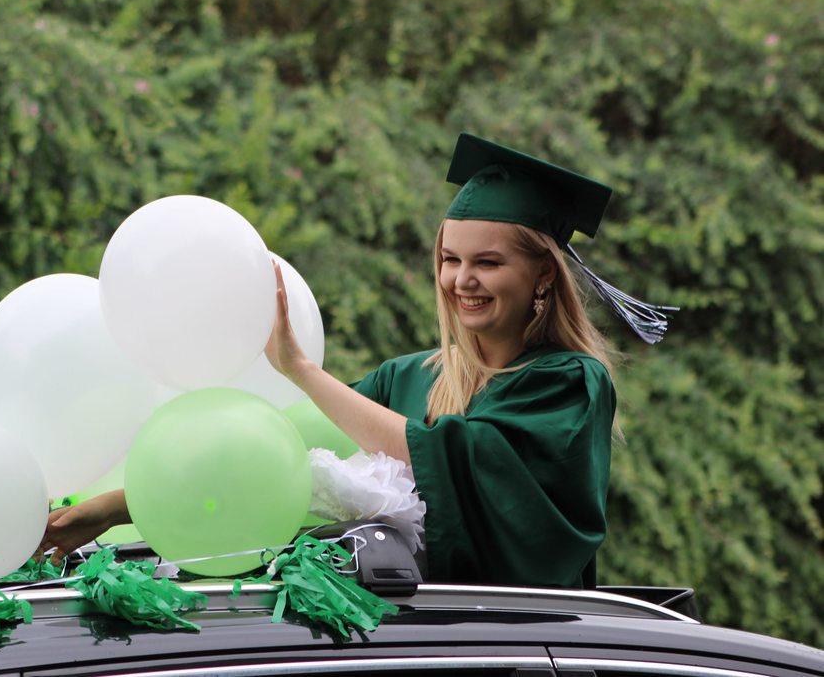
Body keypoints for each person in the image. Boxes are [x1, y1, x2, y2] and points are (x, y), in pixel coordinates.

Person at [38, 132, 674, 588]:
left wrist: (302, 372)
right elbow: (272, 456)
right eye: (451, 260)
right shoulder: (411, 377)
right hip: (401, 647)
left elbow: (455, 460)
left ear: (542, 276)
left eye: (488, 262)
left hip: (502, 647)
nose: (462, 281)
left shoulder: (567, 385)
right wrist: (117, 506)